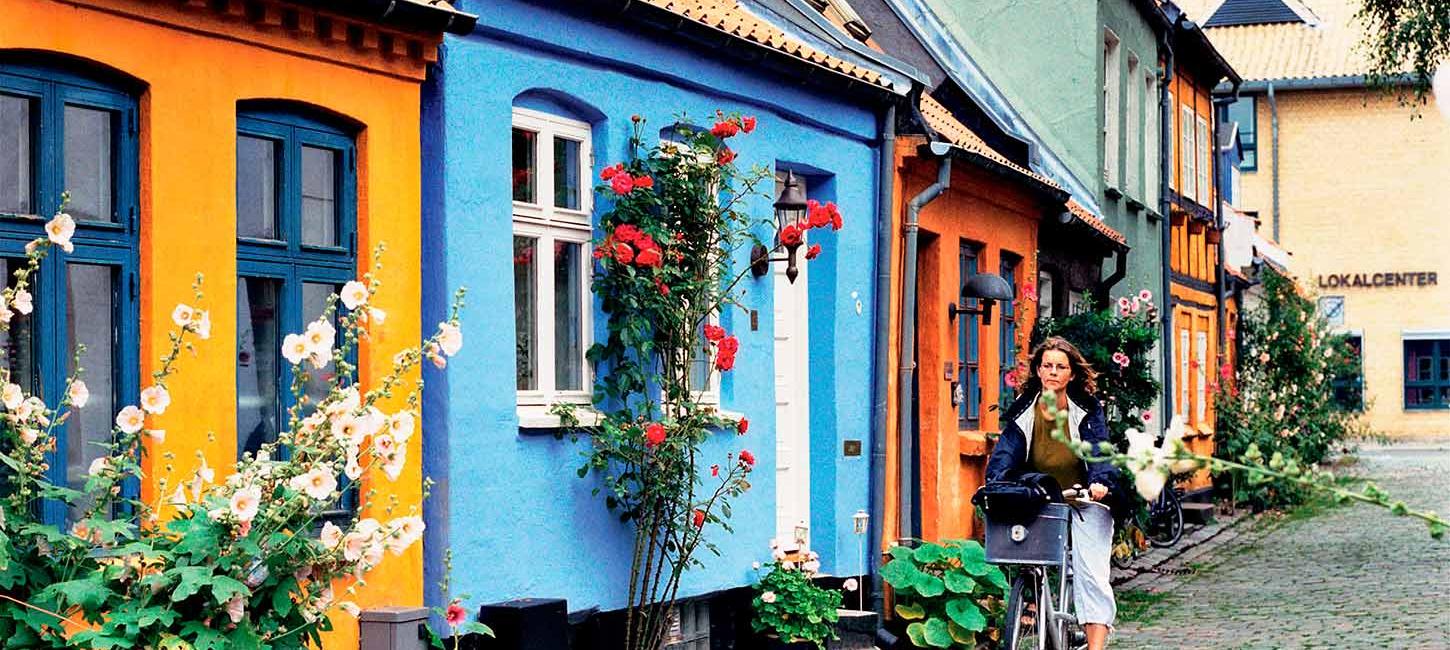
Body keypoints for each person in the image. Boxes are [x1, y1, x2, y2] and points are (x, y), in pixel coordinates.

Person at [985, 336, 1120, 650]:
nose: (1054, 372)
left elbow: (1099, 449)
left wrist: (1100, 482)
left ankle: (1095, 647)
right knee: (1023, 550)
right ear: (1038, 370)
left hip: (1085, 497)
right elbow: (1006, 451)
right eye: (1047, 366)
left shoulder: (1086, 409)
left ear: (1071, 374)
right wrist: (996, 480)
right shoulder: (1024, 410)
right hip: (1041, 497)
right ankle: (1032, 600)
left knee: (1091, 574)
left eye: (1061, 367)